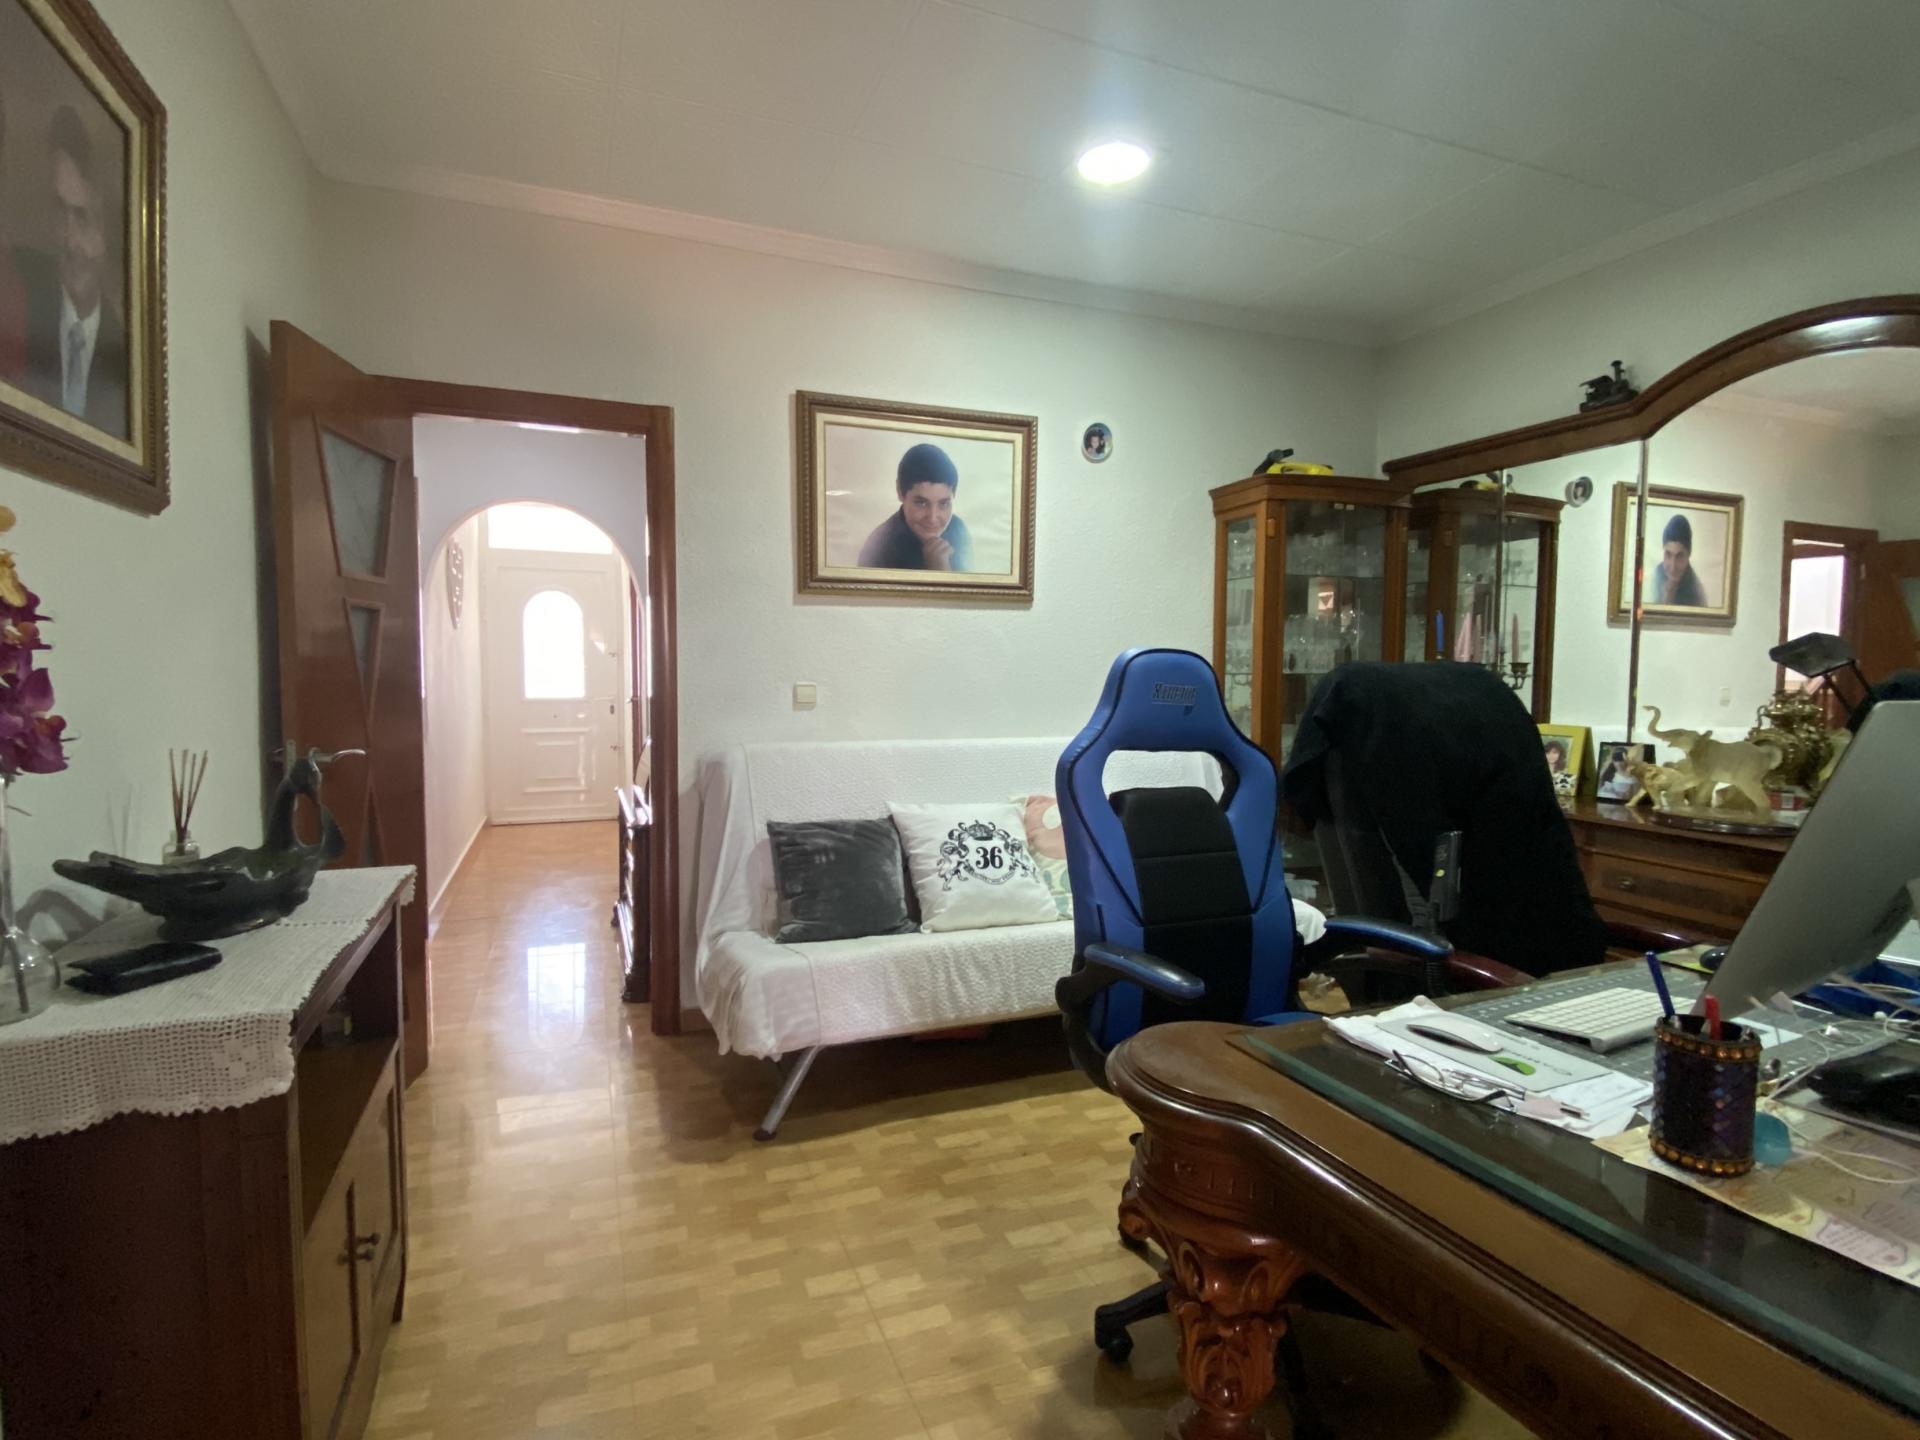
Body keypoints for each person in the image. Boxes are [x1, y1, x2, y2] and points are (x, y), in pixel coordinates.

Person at [21, 106, 126, 437]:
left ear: (109, 231)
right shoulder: (18, 306)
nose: (68, 239)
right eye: (59, 211)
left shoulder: (125, 360)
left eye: (82, 217)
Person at [857, 441, 975, 572]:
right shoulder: (878, 550)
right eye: (921, 503)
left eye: (944, 504)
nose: (932, 519)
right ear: (900, 492)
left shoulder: (959, 530)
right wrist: (938, 572)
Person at [1648, 512, 1708, 607]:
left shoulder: (1696, 592)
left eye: (1679, 556)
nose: (1673, 567)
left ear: (1688, 555)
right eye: (1668, 555)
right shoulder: (1655, 576)